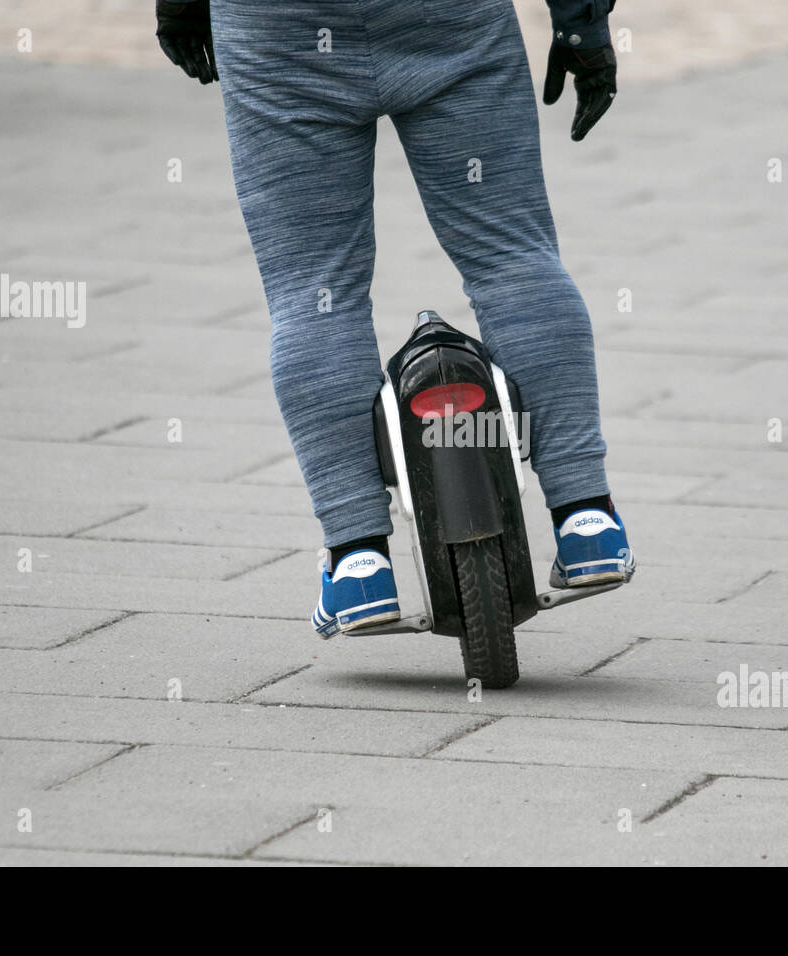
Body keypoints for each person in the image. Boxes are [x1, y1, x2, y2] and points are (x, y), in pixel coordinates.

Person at [156, 0, 635, 637]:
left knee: (314, 291)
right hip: (447, 18)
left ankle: (358, 562)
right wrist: (582, 22)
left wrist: (181, 8)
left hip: (279, 31)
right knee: (511, 258)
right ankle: (585, 520)